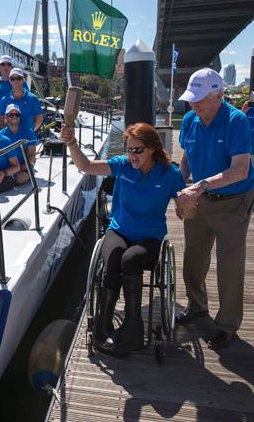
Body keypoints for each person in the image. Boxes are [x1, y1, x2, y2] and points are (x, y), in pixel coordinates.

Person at [60, 122, 185, 357]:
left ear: (151, 149)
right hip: (119, 230)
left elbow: (186, 209)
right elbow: (85, 166)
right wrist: (71, 143)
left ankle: (133, 329)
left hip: (149, 236)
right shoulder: (123, 166)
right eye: (128, 149)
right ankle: (103, 325)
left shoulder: (170, 175)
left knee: (130, 259)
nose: (131, 155)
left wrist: (187, 204)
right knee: (114, 258)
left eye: (137, 150)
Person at [175, 68, 254, 351]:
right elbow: (186, 155)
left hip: (233, 201)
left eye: (200, 99)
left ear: (219, 96)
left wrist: (199, 186)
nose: (194, 105)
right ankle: (197, 307)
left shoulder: (237, 121)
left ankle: (227, 325)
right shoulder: (189, 119)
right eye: (192, 99)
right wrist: (181, 185)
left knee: (229, 265)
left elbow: (239, 170)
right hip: (200, 201)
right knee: (193, 260)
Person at [0, 103, 36, 184]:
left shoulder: (29, 132)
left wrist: (17, 169)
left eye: (17, 114)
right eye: (11, 115)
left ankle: (29, 174)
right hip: (7, 169)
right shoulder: (0, 135)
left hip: (23, 167)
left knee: (20, 178)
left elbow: (32, 156)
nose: (14, 117)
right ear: (6, 117)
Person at [0, 67, 43, 133]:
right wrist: (10, 134)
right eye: (13, 79)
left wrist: (30, 133)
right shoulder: (4, 99)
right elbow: (2, 119)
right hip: (11, 141)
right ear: (10, 81)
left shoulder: (33, 98)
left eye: (18, 78)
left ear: (23, 80)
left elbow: (39, 118)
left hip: (28, 141)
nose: (16, 81)